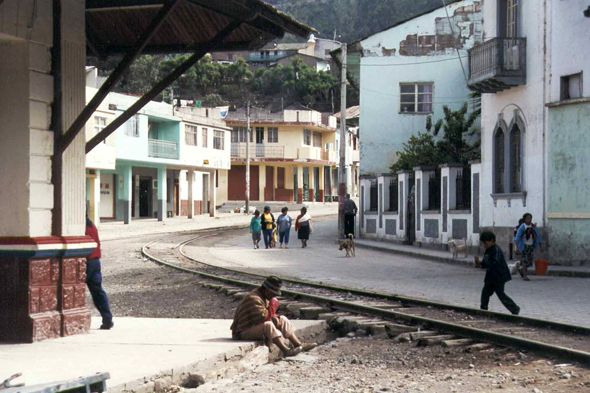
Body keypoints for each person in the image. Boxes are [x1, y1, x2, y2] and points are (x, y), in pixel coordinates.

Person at [230, 276, 317, 357]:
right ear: (267, 290)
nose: (274, 296)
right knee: (268, 325)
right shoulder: (254, 298)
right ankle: (285, 350)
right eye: (273, 294)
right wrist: (273, 306)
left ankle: (298, 344)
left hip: (254, 325)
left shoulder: (263, 297)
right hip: (243, 331)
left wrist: (274, 317)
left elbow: (265, 316)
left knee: (282, 318)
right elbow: (263, 318)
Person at [475, 231, 520, 315]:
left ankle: (515, 308)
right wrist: (480, 264)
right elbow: (486, 261)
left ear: (492, 240)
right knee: (485, 293)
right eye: (483, 243)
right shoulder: (489, 250)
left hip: (498, 277)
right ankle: (483, 309)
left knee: (501, 295)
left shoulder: (496, 250)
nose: (484, 245)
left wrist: (484, 264)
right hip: (491, 277)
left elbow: (494, 262)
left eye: (485, 242)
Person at [85, 217, 114, 329]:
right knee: (98, 292)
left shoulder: (82, 227)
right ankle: (107, 319)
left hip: (87, 262)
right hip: (95, 262)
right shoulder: (91, 225)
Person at [514, 213, 542, 281]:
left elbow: (537, 236)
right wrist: (517, 247)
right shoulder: (522, 227)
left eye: (530, 218)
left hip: (531, 246)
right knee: (524, 260)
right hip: (524, 246)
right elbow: (517, 237)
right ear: (524, 219)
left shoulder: (533, 227)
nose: (529, 220)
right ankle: (525, 276)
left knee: (529, 261)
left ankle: (521, 269)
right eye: (527, 218)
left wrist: (540, 245)